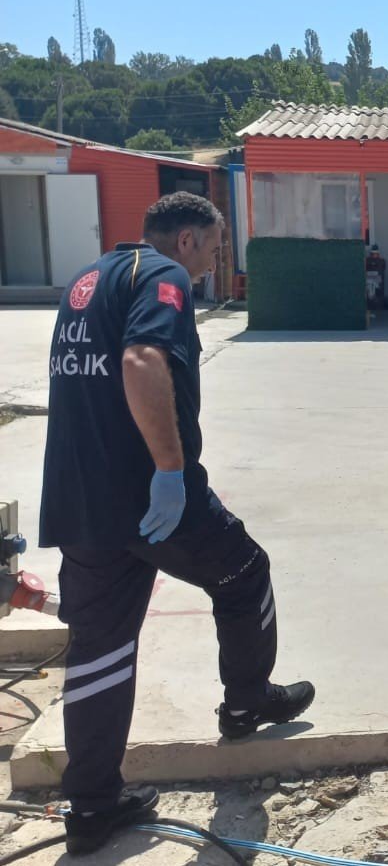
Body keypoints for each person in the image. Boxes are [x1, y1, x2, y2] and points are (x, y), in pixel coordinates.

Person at [39, 192, 315, 857]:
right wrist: (169, 469)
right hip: (148, 497)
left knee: (100, 652)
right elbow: (140, 362)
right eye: (217, 247)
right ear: (186, 240)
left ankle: (91, 806)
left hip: (81, 501)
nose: (217, 261)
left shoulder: (88, 279)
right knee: (245, 572)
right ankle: (248, 702)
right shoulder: (161, 278)